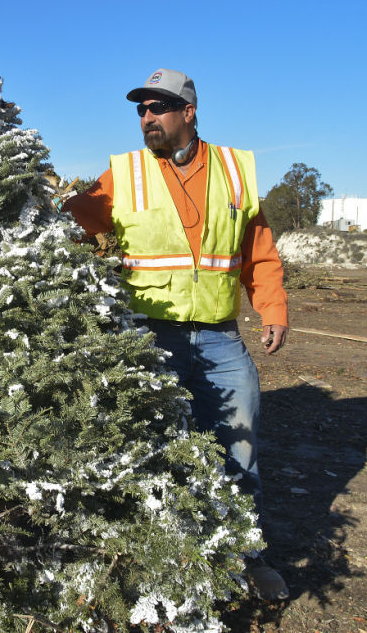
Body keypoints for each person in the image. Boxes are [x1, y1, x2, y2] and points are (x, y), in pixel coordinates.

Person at [62, 68, 290, 601]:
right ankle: (157, 560)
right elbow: (71, 222)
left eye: (158, 108)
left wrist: (273, 308)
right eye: (141, 109)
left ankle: (248, 557)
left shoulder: (235, 170)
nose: (147, 118)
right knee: (150, 447)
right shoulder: (126, 173)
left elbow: (258, 249)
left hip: (220, 338)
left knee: (241, 447)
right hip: (147, 339)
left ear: (188, 112)